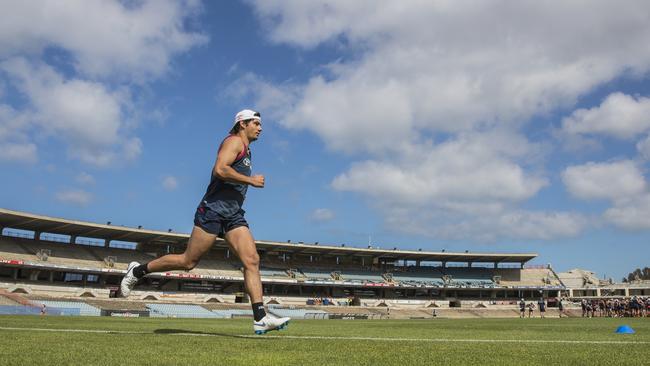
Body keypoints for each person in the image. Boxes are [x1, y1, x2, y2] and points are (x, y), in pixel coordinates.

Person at [119, 109, 290, 334]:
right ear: (242, 124)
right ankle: (138, 271)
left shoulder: (247, 151)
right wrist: (250, 180)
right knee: (188, 262)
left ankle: (260, 317)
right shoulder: (234, 142)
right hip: (212, 211)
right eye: (256, 123)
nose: (260, 128)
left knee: (252, 260)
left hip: (233, 215)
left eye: (260, 124)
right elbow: (220, 169)